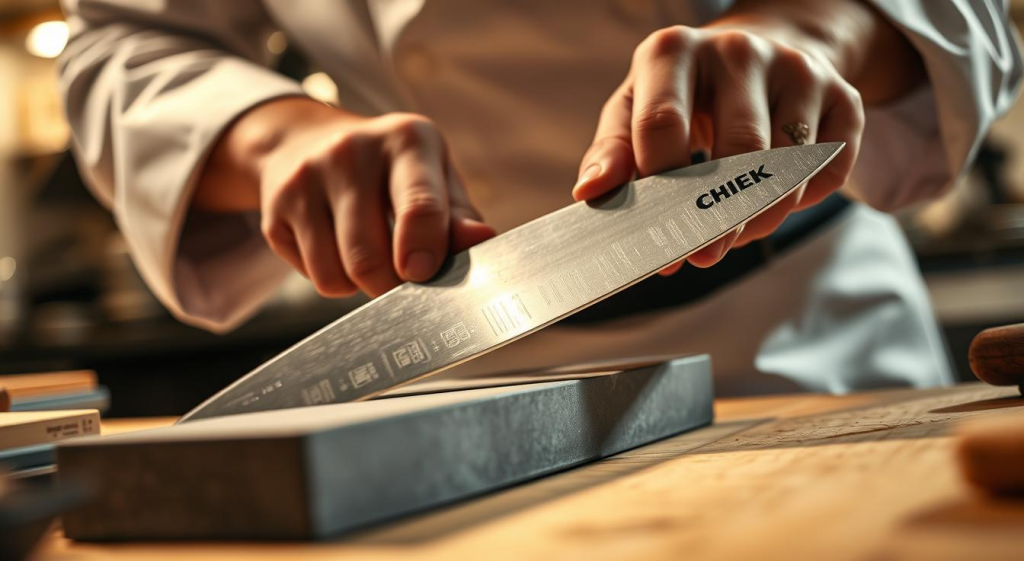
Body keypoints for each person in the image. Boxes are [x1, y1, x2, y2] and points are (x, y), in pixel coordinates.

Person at [58, 0, 1022, 395]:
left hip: (806, 333)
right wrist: (278, 139)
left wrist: (814, 32)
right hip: (457, 371)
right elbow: (126, 40)